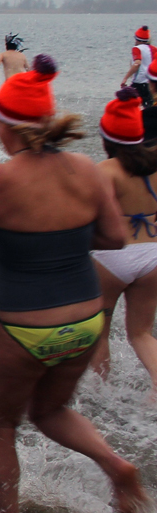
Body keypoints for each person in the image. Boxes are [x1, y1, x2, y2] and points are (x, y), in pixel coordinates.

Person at [0, 55, 148, 513]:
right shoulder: (89, 172)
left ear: (6, 126)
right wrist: (58, 238)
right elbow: (112, 239)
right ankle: (116, 465)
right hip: (87, 320)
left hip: (25, 326)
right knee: (49, 411)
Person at [89, 89, 157, 400]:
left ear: (107, 139)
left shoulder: (105, 171)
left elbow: (88, 215)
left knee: (100, 333)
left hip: (112, 257)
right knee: (141, 334)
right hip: (154, 254)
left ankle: (101, 397)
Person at [123, 26, 154, 108]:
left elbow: (137, 63)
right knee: (150, 106)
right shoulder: (153, 49)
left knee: (126, 103)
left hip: (139, 83)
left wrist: (125, 78)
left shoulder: (136, 48)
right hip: (152, 83)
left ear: (137, 39)